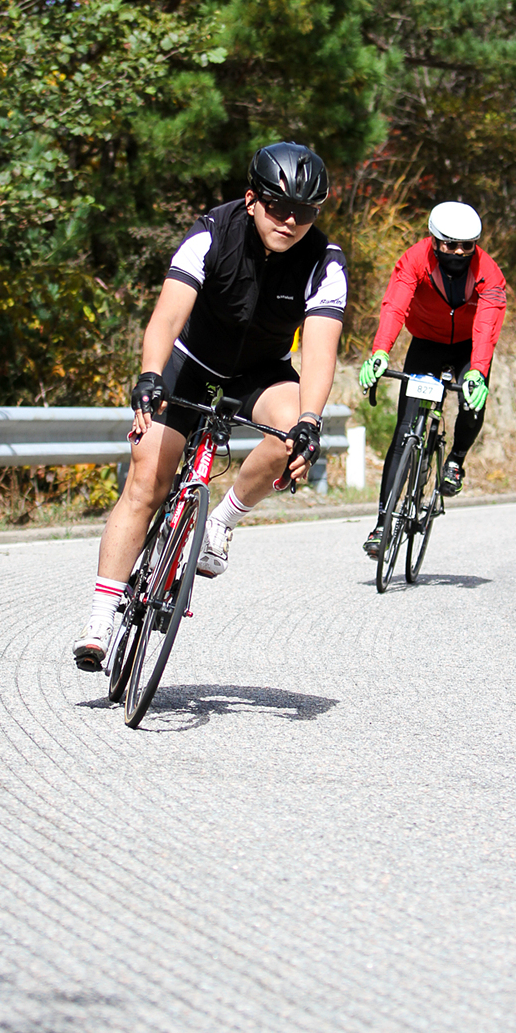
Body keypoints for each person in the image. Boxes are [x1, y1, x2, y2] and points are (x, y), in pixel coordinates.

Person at [74, 142, 348, 668]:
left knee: (290, 434)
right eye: (278, 206)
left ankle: (221, 520)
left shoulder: (325, 262)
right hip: (192, 362)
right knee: (146, 483)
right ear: (252, 199)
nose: (290, 221)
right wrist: (150, 377)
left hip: (260, 371)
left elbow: (320, 352)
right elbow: (167, 316)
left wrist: (310, 422)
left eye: (306, 212)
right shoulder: (211, 233)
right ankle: (101, 620)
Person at [358, 201, 506, 558]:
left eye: (467, 246)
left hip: (468, 346)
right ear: (435, 240)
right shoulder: (414, 260)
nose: (459, 252)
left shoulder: (489, 273)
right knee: (404, 430)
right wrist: (380, 351)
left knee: (472, 401)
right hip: (426, 342)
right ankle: (381, 525)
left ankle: (455, 460)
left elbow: (487, 325)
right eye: (450, 245)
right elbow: (395, 305)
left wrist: (477, 371)